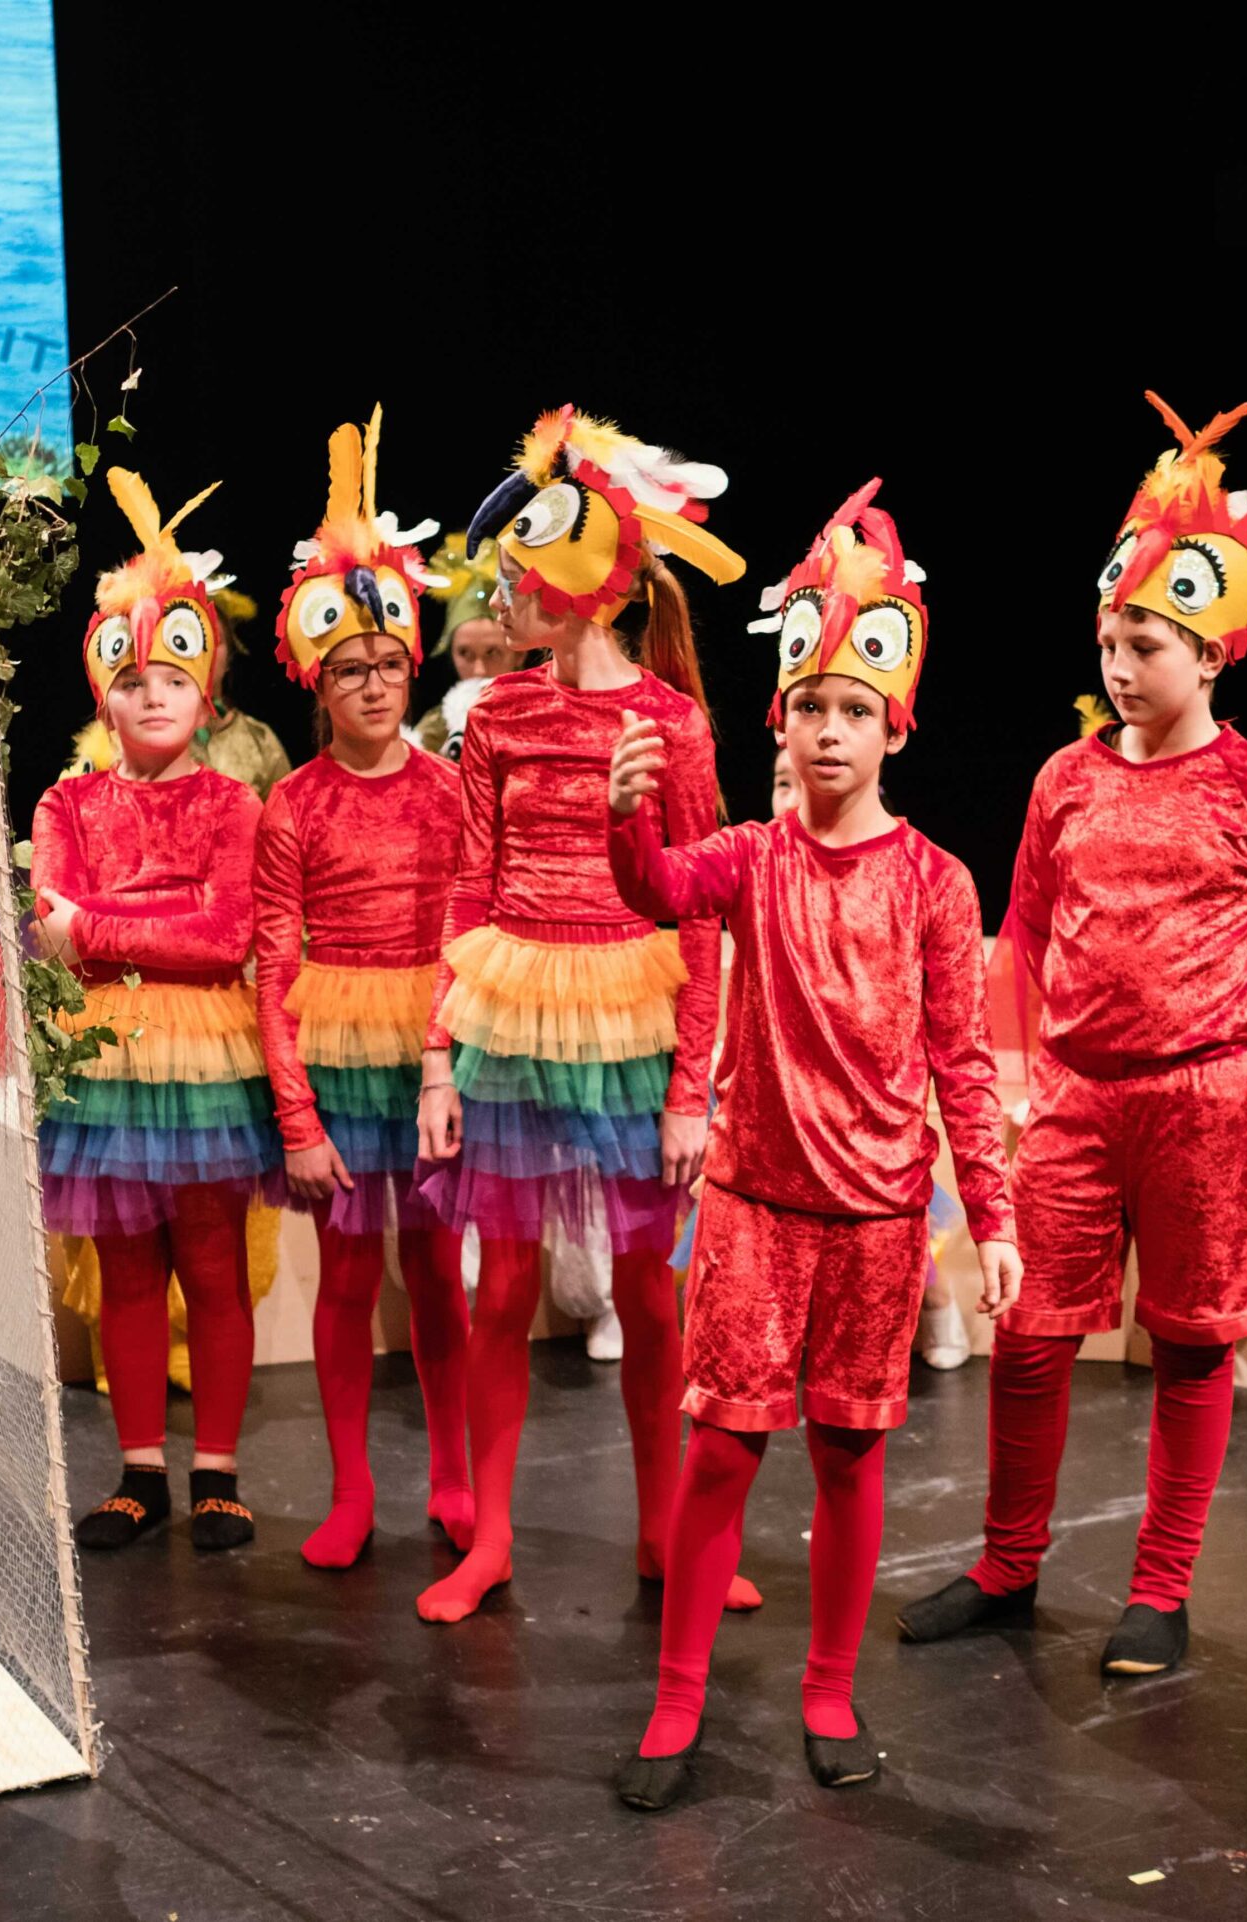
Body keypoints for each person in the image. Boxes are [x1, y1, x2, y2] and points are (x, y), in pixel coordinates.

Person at [900, 393, 1247, 1677]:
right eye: (1107, 639)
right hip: (1078, 1096)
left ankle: (1161, 1587)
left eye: (1143, 642)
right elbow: (1029, 929)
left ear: (1208, 654)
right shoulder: (1064, 776)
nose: (1117, 662)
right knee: (1032, 1333)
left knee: (1192, 1341)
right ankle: (1007, 1562)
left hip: (1205, 1101)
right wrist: (1025, 1070)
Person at [604, 481, 1020, 1810]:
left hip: (879, 1218)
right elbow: (658, 890)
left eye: (854, 708)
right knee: (722, 1452)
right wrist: (625, 816)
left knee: (850, 1456)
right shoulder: (748, 855)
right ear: (779, 718)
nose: (830, 729)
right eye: (810, 707)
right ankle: (677, 1701)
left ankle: (829, 1687)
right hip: (754, 1207)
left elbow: (962, 1060)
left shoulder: (937, 880)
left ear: (894, 723)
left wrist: (993, 1217)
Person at [414, 404, 754, 1624]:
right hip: (511, 1011)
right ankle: (494, 1536)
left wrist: (689, 1089)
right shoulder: (496, 714)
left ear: (590, 589)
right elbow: (467, 882)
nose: (507, 591)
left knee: (649, 1292)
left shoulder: (672, 722)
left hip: (630, 1019)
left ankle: (665, 1531)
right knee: (501, 1286)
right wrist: (439, 1056)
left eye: (527, 575)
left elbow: (701, 909)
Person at [34, 468, 279, 1553]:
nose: (151, 696)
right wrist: (110, 925)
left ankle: (217, 1468)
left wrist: (98, 925)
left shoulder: (233, 803)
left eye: (173, 676)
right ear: (104, 693)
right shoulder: (67, 800)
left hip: (209, 1057)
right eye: (130, 679)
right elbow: (47, 927)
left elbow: (225, 937)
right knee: (126, 1267)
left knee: (211, 1262)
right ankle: (140, 1469)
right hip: (105, 1058)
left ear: (206, 689)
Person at [256, 408, 474, 1568]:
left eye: (389, 664)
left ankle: (455, 1477)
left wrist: (450, 1055)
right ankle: (350, 1492)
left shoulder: (449, 792)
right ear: (318, 679)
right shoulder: (291, 805)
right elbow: (273, 963)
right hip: (337, 1051)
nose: (376, 684)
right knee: (348, 1269)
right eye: (352, 669)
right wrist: (296, 1116)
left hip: (432, 1050)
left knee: (435, 1268)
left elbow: (467, 930)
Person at [417, 531, 522, 757]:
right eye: (465, 654)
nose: (479, 670)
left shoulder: (542, 716)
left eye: (492, 653)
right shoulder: (432, 733)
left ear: (519, 654)